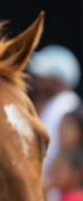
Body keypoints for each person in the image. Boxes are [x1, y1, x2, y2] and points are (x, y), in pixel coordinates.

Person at [28, 44, 81, 187]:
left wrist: (48, 185)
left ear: (57, 79)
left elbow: (67, 154)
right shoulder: (51, 105)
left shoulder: (69, 107)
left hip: (55, 194)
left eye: (43, 75)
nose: (36, 78)